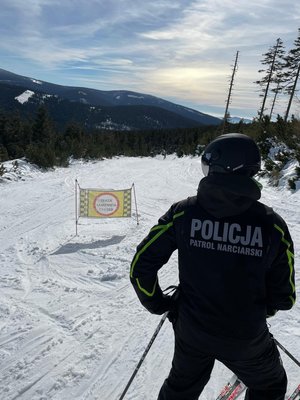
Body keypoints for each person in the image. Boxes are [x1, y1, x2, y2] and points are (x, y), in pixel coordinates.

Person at [130, 133, 296, 400]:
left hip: (192, 331)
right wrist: (262, 310)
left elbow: (141, 266)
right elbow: (285, 296)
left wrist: (158, 303)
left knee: (180, 389)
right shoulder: (272, 225)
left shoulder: (183, 213)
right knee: (271, 385)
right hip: (246, 338)